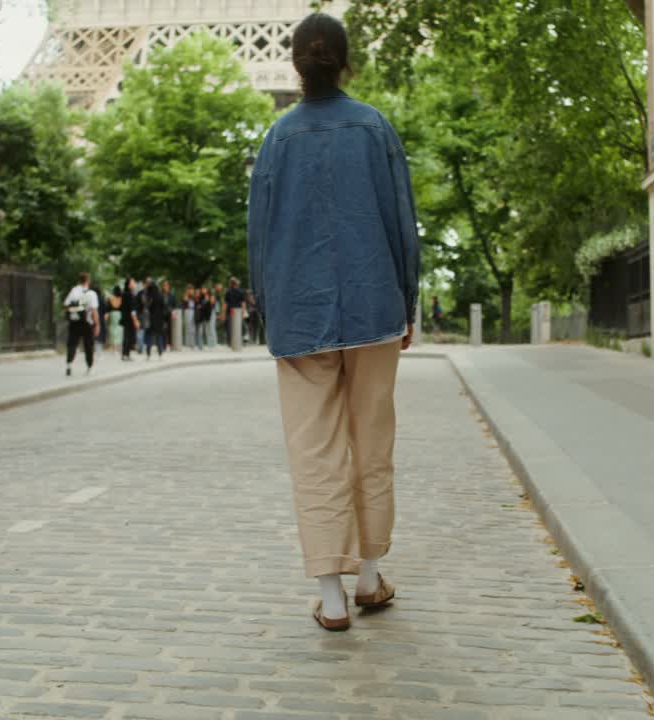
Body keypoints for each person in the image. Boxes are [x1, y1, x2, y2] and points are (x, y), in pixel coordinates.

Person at [247, 12, 420, 631]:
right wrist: (409, 300)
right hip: (376, 306)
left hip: (299, 313)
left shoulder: (277, 140)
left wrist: (267, 305)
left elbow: (260, 234)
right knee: (372, 442)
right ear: (347, 61)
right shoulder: (375, 128)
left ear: (294, 64)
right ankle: (370, 576)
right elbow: (402, 222)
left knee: (313, 449)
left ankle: (331, 596)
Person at [63, 272, 99, 376]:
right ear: (88, 280)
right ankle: (89, 367)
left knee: (72, 343)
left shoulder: (74, 291)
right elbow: (94, 310)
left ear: (79, 280)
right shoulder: (91, 293)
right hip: (87, 322)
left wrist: (75, 311)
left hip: (74, 321)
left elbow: (66, 305)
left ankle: (69, 364)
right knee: (88, 345)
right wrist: (97, 324)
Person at [144, 279, 166, 359]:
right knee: (159, 336)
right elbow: (163, 307)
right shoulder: (160, 295)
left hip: (150, 318)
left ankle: (148, 354)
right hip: (159, 318)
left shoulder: (148, 296)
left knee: (149, 336)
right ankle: (160, 353)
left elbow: (147, 307)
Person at [120, 277, 138, 361]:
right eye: (133, 282)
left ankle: (126, 354)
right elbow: (132, 309)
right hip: (129, 319)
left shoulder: (126, 293)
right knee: (128, 336)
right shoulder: (128, 294)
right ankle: (125, 354)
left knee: (127, 336)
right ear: (129, 284)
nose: (134, 284)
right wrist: (135, 320)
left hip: (126, 318)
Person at [223, 277, 245, 345]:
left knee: (230, 326)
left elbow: (225, 304)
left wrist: (223, 313)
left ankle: (230, 342)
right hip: (238, 311)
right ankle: (240, 340)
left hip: (231, 311)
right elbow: (243, 303)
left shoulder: (228, 292)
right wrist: (243, 312)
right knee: (238, 326)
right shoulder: (240, 291)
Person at [107, 287, 124, 354]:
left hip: (112, 314)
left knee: (113, 330)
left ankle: (114, 347)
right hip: (120, 314)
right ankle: (119, 347)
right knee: (120, 330)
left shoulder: (111, 298)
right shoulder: (121, 298)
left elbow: (108, 307)